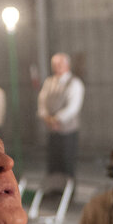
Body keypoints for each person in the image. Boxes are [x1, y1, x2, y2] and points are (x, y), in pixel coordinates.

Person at [36, 52, 84, 182]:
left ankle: (69, 190)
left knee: (67, 163)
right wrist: (46, 117)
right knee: (53, 163)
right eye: (55, 64)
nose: (57, 66)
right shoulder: (49, 81)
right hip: (52, 130)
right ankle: (53, 188)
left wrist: (57, 119)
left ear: (67, 65)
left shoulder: (75, 83)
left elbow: (73, 107)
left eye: (60, 64)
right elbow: (42, 101)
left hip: (68, 131)